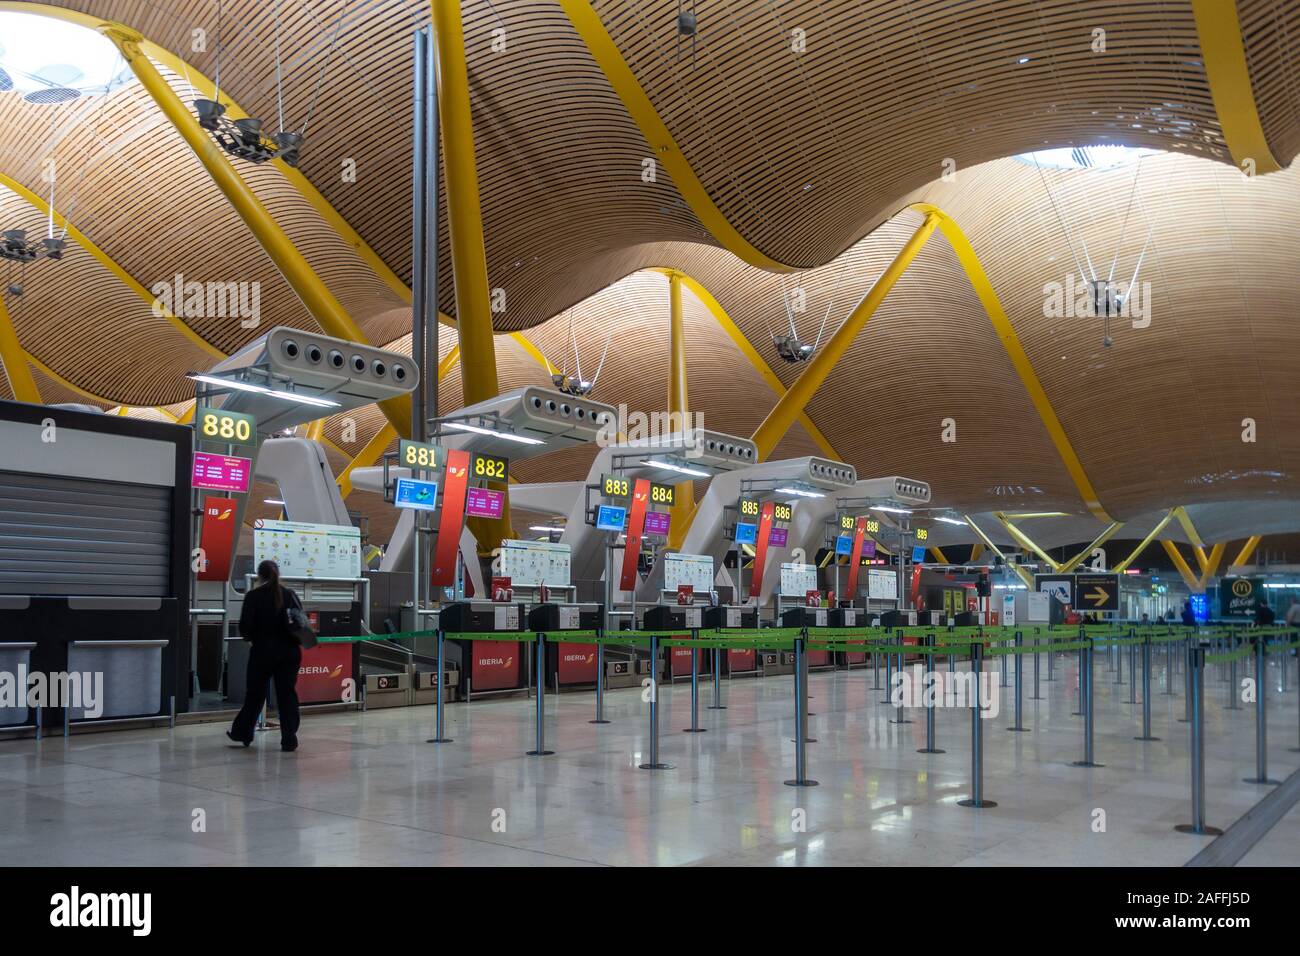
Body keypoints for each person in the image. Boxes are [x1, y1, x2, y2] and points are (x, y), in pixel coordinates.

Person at [228, 560, 303, 752]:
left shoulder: (253, 596)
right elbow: (300, 623)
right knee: (287, 694)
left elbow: (244, 628)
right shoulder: (289, 595)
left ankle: (243, 733)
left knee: (255, 694)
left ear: (260, 575)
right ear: (278, 573)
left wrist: (254, 638)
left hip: (262, 652)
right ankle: (289, 738)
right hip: (289, 653)